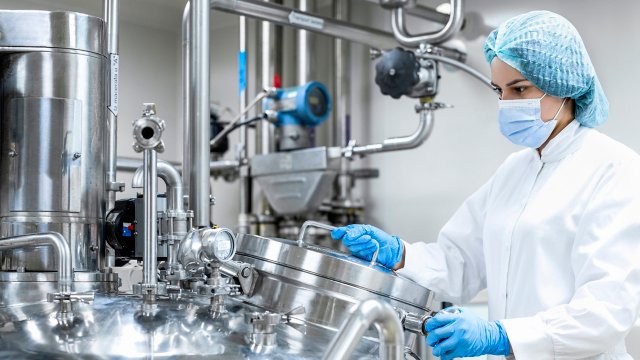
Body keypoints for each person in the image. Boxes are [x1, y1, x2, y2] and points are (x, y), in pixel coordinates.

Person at [331, 10, 640, 360]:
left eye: (520, 88)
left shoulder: (614, 169)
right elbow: (460, 261)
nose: (506, 104)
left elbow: (605, 312)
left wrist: (501, 336)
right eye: (499, 91)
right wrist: (401, 255)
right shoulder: (515, 170)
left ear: (563, 85)